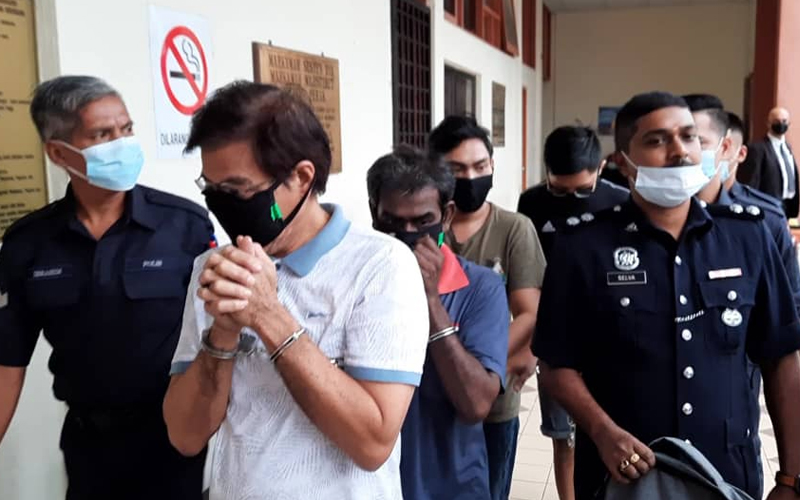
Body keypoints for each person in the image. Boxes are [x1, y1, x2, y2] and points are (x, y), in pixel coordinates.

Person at [163, 81, 429, 500]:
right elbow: (185, 435)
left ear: (302, 177)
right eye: (212, 189)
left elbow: (372, 442)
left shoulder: (381, 266)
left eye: (239, 191)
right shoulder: (214, 269)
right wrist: (223, 333)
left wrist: (268, 316)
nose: (223, 205)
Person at [533, 91, 800, 500]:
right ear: (623, 161)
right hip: (621, 476)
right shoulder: (583, 246)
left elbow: (781, 357)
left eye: (688, 136)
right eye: (657, 140)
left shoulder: (748, 237)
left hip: (727, 474)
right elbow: (555, 364)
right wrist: (602, 432)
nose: (679, 151)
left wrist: (791, 477)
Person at [0, 76, 212, 499]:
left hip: (174, 440)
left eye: (126, 128)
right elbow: (7, 364)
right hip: (89, 445)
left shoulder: (184, 226)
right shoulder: (29, 243)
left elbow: (219, 339)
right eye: (102, 134)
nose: (123, 143)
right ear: (58, 153)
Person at [367, 145, 509, 499]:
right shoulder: (358, 285)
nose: (408, 234)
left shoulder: (481, 288)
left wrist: (430, 300)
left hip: (452, 486)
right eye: (393, 223)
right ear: (374, 215)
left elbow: (476, 405)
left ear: (446, 217)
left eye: (422, 222)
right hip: (374, 484)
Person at [429, 115, 546, 500]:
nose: (471, 177)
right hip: (428, 398)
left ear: (492, 165)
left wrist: (480, 363)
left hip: (492, 400)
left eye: (480, 167)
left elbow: (529, 312)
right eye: (457, 170)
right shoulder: (424, 227)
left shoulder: (514, 229)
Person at [517, 126, 628, 500]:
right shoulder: (532, 203)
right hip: (556, 339)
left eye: (582, 190)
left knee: (614, 431)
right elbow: (525, 276)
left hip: (612, 338)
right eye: (559, 190)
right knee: (563, 437)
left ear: (600, 168)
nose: (571, 200)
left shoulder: (621, 202)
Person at [684, 94, 800, 313]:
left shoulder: (763, 220)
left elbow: (788, 305)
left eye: (697, 141)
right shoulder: (658, 216)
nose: (683, 152)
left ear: (727, 148)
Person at [738, 106, 799, 218]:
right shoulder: (757, 149)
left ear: (789, 123)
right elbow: (752, 182)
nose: (781, 124)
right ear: (768, 123)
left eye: (784, 121)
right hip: (767, 207)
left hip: (787, 206)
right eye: (776, 121)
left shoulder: (787, 148)